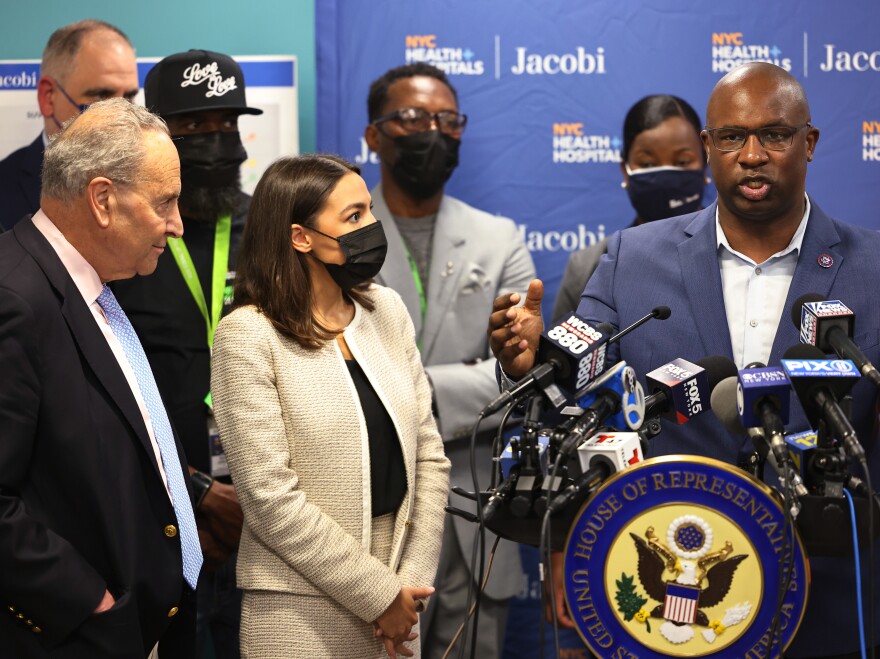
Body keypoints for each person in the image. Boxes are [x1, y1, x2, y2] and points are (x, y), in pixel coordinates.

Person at [488, 62, 880, 658]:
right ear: (708, 147)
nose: (752, 154)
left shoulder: (871, 267)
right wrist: (529, 363)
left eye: (774, 135)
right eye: (731, 137)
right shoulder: (632, 258)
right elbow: (578, 387)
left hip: (829, 599)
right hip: (671, 595)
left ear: (809, 142)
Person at [210, 154, 450, 658]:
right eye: (354, 216)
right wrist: (379, 596)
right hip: (299, 614)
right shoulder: (247, 335)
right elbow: (269, 498)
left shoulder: (386, 310)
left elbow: (428, 455)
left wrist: (410, 589)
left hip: (403, 605)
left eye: (369, 211)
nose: (371, 227)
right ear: (300, 237)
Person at [0, 98, 200, 657]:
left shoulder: (90, 286)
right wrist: (91, 602)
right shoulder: (14, 297)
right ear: (103, 200)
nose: (177, 226)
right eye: (165, 203)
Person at [363, 62, 535, 659]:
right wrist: (466, 380)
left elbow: (524, 376)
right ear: (374, 135)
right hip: (366, 521)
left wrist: (406, 390)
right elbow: (328, 373)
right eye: (411, 117)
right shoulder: (337, 235)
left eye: (446, 120)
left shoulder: (500, 238)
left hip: (475, 516)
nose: (430, 131)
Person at [112, 48, 262, 659]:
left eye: (226, 124)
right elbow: (105, 391)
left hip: (264, 512)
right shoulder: (124, 240)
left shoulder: (270, 231)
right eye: (195, 127)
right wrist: (192, 489)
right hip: (157, 509)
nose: (215, 140)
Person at [552, 94, 709, 320]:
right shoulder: (588, 267)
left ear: (705, 165)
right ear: (625, 170)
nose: (664, 176)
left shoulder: (732, 257)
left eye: (682, 162)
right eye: (647, 164)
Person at [0, 19, 138, 231]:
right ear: (48, 97)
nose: (121, 115)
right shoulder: (4, 189)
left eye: (129, 97)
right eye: (101, 95)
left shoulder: (147, 183)